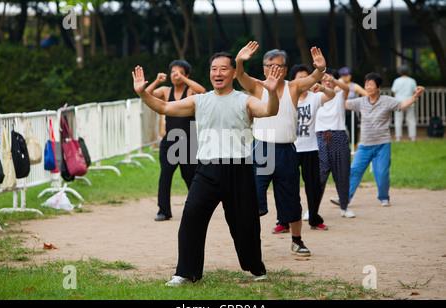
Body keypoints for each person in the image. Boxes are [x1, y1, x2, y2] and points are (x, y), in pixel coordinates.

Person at [133, 52, 283, 286]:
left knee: (245, 225)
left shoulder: (244, 100)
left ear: (234, 73)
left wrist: (272, 92)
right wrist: (143, 92)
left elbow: (270, 111)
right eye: (214, 69)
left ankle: (256, 268)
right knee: (191, 217)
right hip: (207, 170)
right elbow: (163, 107)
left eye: (223, 69)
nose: (218, 73)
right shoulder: (200, 100)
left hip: (239, 169)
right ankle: (186, 273)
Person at [235, 41, 327, 256]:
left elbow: (314, 78)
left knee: (291, 198)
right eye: (269, 65)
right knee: (253, 198)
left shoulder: (293, 87)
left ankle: (297, 240)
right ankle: (250, 243)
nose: (273, 69)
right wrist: (239, 61)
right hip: (262, 149)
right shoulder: (257, 86)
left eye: (278, 66)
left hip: (286, 151)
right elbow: (240, 76)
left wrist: (320, 68)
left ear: (285, 69)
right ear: (264, 68)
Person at [345, 72, 424, 207]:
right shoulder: (361, 101)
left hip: (382, 144)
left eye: (371, 84)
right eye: (366, 85)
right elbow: (345, 104)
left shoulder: (387, 101)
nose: (368, 87)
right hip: (364, 145)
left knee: (382, 173)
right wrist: (329, 90)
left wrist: (415, 96)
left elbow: (403, 104)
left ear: (378, 87)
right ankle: (345, 198)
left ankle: (384, 196)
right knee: (354, 170)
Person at [275, 64, 335, 232]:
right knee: (285, 186)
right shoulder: (285, 96)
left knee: (313, 187)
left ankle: (314, 219)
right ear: (293, 80)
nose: (302, 80)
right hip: (290, 148)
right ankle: (284, 221)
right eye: (299, 77)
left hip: (311, 148)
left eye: (305, 77)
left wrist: (322, 87)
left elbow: (331, 95)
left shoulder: (314, 97)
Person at [146, 60, 206, 222]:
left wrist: (184, 79)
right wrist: (157, 81)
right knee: (165, 175)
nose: (175, 75)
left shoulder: (190, 92)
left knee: (190, 176)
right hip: (170, 141)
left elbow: (202, 91)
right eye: (173, 72)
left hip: (188, 141)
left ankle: (197, 208)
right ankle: (163, 210)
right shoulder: (166, 91)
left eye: (179, 72)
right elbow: (146, 93)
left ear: (186, 75)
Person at [316, 68, 356, 218]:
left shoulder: (339, 96)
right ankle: (313, 209)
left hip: (338, 135)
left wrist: (332, 79)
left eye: (330, 80)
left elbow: (347, 87)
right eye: (324, 80)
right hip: (319, 136)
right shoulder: (316, 97)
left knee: (342, 173)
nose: (327, 83)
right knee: (320, 174)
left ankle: (344, 207)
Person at [338, 67, 368, 146]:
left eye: (346, 75)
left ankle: (354, 149)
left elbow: (366, 95)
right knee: (340, 131)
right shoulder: (338, 86)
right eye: (343, 75)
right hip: (340, 112)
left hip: (351, 111)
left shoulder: (354, 86)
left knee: (353, 131)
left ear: (350, 76)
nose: (345, 77)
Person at [391, 65, 418, 142]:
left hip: (399, 102)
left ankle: (398, 137)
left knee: (398, 119)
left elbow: (394, 92)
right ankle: (413, 137)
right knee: (411, 119)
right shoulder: (412, 81)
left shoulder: (396, 81)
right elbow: (414, 92)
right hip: (410, 102)